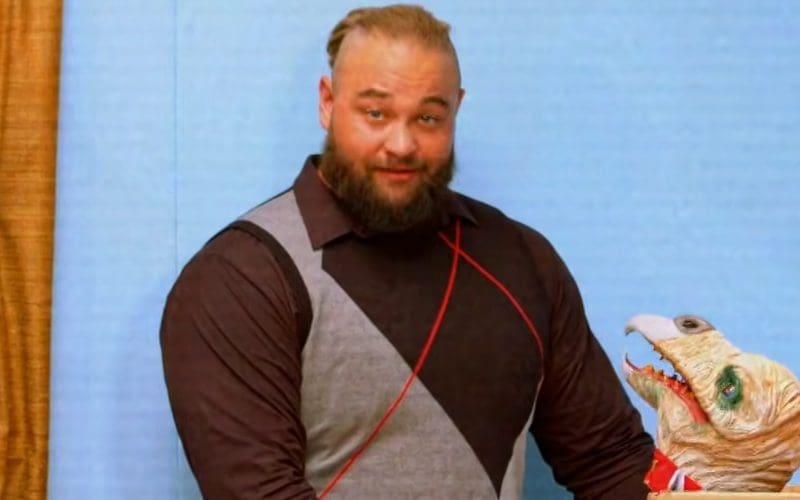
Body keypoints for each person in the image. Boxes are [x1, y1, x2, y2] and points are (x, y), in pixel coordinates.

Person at [160, 4, 655, 499]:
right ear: (328, 102)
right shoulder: (242, 278)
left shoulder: (523, 262)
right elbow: (258, 492)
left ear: (456, 110)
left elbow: (610, 461)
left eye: (428, 117)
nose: (401, 144)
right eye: (375, 113)